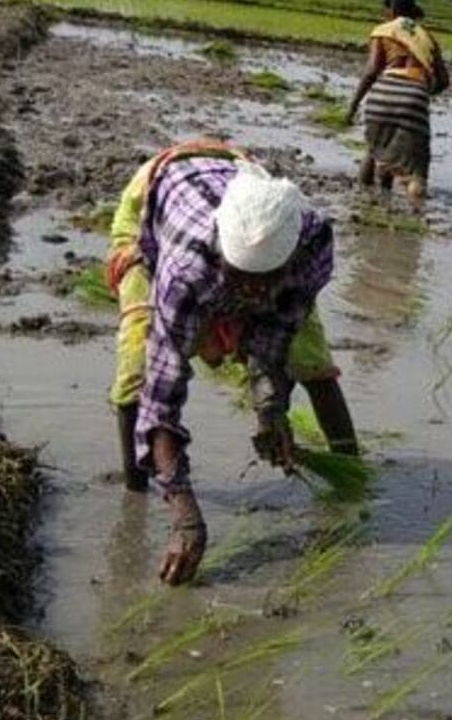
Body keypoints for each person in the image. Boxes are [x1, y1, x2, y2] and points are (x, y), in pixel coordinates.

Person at [106, 142, 359, 586]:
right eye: (241, 279)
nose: (253, 296)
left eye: (265, 282)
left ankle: (354, 484)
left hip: (245, 183)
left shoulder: (313, 242)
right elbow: (161, 400)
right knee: (136, 369)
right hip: (155, 195)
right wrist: (185, 514)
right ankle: (136, 497)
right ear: (223, 252)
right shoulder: (186, 271)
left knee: (310, 356)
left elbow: (280, 326)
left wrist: (270, 406)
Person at [347, 0, 450, 213]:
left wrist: (353, 106)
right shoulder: (427, 37)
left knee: (375, 150)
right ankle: (414, 217)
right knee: (417, 168)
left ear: (391, 11)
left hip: (383, 92)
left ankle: (363, 205)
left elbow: (372, 70)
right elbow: (443, 81)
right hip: (414, 94)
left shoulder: (383, 31)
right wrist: (419, 93)